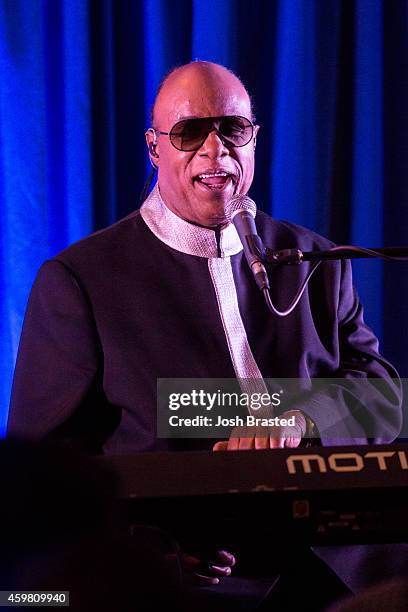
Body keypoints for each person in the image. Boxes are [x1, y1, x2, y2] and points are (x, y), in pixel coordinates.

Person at [7, 61, 404, 609]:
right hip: (191, 580)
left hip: (344, 568)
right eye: (190, 132)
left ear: (255, 140)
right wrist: (146, 546)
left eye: (233, 129)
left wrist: (303, 418)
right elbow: (44, 470)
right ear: (154, 148)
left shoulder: (315, 258)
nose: (215, 149)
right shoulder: (81, 280)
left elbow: (383, 401)